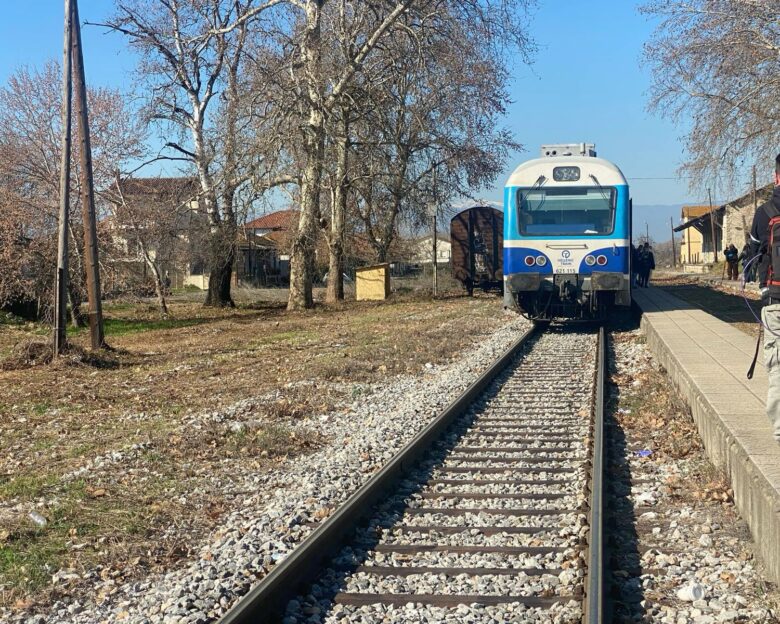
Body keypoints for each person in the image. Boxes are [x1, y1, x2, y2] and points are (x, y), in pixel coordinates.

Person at [748, 152, 780, 443]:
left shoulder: (765, 212)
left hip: (775, 298)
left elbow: (754, 253)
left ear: (775, 176)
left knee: (778, 364)